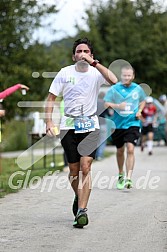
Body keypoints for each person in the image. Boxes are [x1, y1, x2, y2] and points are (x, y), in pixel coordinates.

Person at [45, 37, 117, 228]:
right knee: (74, 170)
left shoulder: (96, 72)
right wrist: (49, 121)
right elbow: (51, 98)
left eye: (86, 51)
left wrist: (95, 64)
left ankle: (82, 211)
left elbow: (114, 80)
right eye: (79, 51)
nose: (82, 54)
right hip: (68, 125)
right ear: (73, 55)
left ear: (91, 55)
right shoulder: (64, 72)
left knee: (86, 167)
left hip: (90, 125)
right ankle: (79, 197)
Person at [104, 65, 146, 190]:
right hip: (118, 125)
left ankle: (128, 178)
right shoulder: (115, 88)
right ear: (121, 76)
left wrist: (140, 110)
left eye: (129, 75)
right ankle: (121, 174)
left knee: (131, 149)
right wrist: (117, 106)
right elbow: (106, 103)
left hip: (132, 123)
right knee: (120, 151)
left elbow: (143, 100)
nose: (127, 77)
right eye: (124, 75)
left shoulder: (137, 88)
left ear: (133, 76)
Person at [95, 92, 110, 161]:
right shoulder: (105, 103)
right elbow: (109, 114)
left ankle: (95, 154)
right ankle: (100, 155)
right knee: (102, 140)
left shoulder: (94, 103)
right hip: (103, 123)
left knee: (95, 140)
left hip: (95, 123)